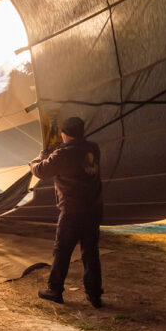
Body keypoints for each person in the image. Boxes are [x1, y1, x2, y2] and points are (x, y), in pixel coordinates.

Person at [30, 116, 103, 308]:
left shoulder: (62, 155)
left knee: (62, 251)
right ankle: (94, 295)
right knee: (90, 253)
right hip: (93, 209)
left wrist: (38, 158)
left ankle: (55, 290)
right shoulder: (93, 149)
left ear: (64, 134)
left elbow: (40, 171)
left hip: (72, 211)